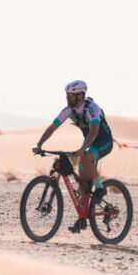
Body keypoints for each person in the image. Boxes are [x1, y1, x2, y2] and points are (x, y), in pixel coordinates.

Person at [32, 80, 114, 232]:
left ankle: (100, 188)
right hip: (89, 144)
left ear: (81, 96)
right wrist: (39, 145)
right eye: (67, 95)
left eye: (71, 95)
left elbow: (94, 131)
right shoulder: (68, 110)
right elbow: (52, 128)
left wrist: (83, 148)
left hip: (103, 141)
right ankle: (83, 217)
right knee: (83, 181)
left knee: (85, 157)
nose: (68, 98)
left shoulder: (92, 108)